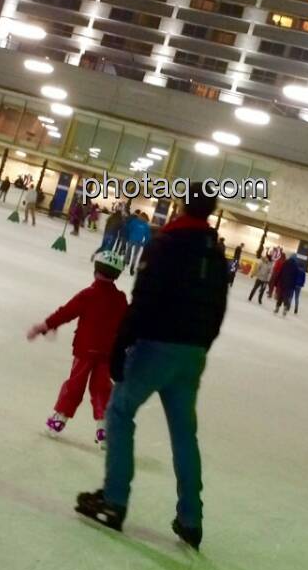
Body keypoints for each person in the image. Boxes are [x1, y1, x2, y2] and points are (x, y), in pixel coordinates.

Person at [75, 182, 230, 551]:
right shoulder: (215, 252)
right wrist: (201, 346)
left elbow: (143, 298)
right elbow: (219, 307)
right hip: (192, 355)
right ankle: (191, 519)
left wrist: (121, 343)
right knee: (183, 434)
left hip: (156, 346)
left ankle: (114, 500)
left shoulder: (167, 243)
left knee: (120, 412)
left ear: (181, 205)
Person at [29, 250, 129, 445]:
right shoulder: (120, 299)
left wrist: (46, 325)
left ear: (95, 271)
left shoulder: (88, 295)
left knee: (75, 384)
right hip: (108, 353)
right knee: (102, 388)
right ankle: (104, 430)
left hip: (85, 350)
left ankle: (58, 421)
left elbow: (66, 312)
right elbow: (127, 324)